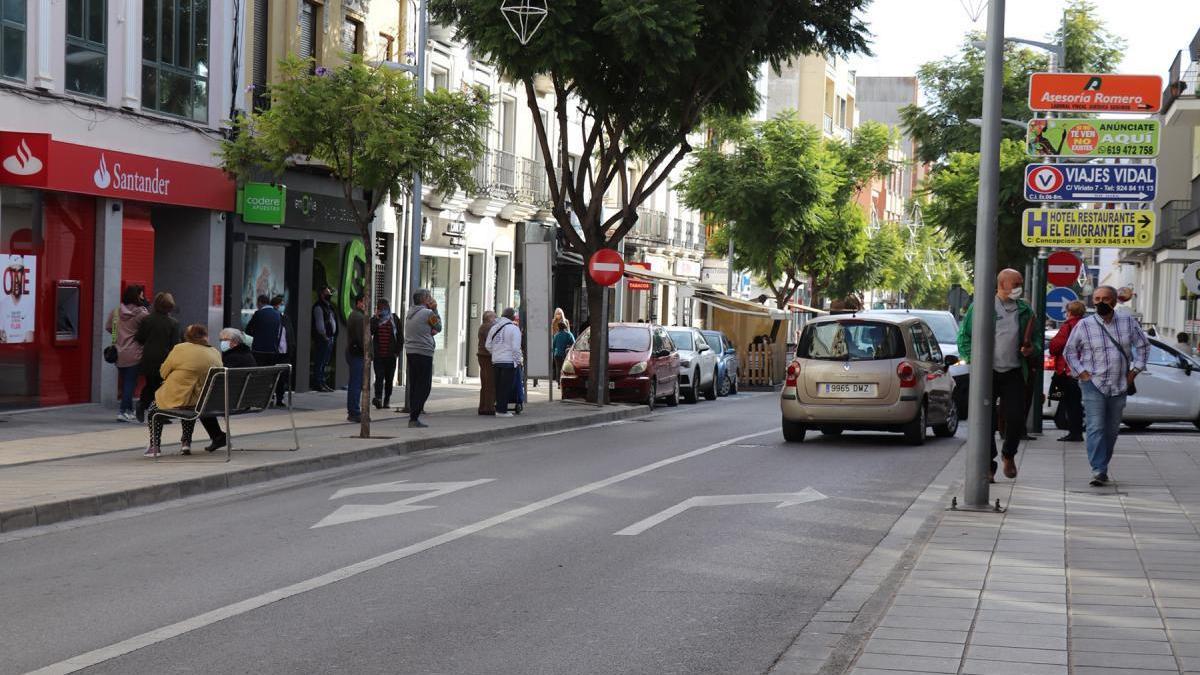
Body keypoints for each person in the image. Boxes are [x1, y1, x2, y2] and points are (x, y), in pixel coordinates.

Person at [956, 268, 1042, 481]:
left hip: (1014, 371)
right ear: (1002, 284)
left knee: (1015, 417)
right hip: (987, 372)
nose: (1019, 287)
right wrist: (974, 360)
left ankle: (1008, 454)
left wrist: (1032, 349)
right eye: (1016, 283)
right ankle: (988, 463)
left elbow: (1038, 339)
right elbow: (964, 337)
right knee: (985, 420)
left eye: (1020, 283)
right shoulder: (982, 307)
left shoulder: (1025, 310)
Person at [1064, 285, 1149, 487]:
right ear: (1092, 301)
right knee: (1096, 426)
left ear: (1114, 301)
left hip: (1119, 384)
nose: (1100, 302)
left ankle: (1102, 464)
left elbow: (1144, 346)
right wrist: (1082, 373)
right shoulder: (1084, 325)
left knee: (1111, 430)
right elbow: (1069, 351)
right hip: (1093, 384)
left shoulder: (1128, 323)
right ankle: (1098, 469)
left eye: (1105, 298)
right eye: (1097, 298)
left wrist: (1135, 371)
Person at [144, 324, 222, 458]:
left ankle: (154, 446)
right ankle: (186, 443)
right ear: (205, 336)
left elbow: (163, 372)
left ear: (188, 337)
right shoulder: (214, 352)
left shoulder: (181, 349)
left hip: (178, 399)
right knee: (189, 405)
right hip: (203, 401)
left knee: (153, 409)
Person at [197, 328, 258, 452]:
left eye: (224, 340)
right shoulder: (247, 355)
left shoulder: (232, 358)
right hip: (244, 400)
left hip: (233, 402)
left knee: (201, 406)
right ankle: (218, 437)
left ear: (234, 342)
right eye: (220, 340)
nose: (221, 343)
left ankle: (218, 436)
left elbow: (219, 381)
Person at [135, 292, 181, 423]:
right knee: (163, 386)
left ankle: (143, 404)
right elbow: (175, 345)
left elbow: (139, 338)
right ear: (170, 306)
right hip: (165, 359)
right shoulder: (173, 323)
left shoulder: (147, 320)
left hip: (149, 357)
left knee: (151, 384)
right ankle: (160, 413)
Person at [106, 284, 148, 423]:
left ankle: (128, 411)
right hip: (135, 353)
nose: (143, 297)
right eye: (142, 295)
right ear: (137, 296)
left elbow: (108, 327)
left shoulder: (116, 312)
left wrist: (118, 336)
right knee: (130, 383)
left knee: (126, 383)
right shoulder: (141, 313)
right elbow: (149, 329)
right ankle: (123, 411)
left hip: (118, 353)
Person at [1049, 300, 1087, 443]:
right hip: (1080, 370)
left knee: (1070, 403)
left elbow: (1055, 346)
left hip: (1067, 370)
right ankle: (1075, 431)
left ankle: (1074, 432)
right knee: (1075, 402)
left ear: (1069, 312)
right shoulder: (1085, 325)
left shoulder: (1068, 326)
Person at [404, 289, 442, 428]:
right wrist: (435, 309)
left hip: (411, 351)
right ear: (425, 299)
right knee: (424, 386)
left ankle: (413, 416)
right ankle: (414, 417)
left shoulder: (410, 313)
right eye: (429, 297)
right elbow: (438, 326)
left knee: (414, 384)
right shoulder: (428, 313)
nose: (431, 299)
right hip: (424, 352)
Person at [246, 293, 285, 404]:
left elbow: (249, 330)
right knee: (271, 374)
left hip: (259, 350)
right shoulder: (278, 314)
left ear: (260, 303)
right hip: (273, 350)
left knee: (259, 374)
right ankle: (270, 395)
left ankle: (259, 398)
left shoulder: (258, 314)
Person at [486, 307, 523, 417]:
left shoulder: (494, 328)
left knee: (498, 386)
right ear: (512, 317)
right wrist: (517, 361)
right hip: (509, 361)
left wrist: (496, 353)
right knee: (506, 387)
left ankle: (499, 408)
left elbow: (488, 345)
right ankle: (502, 410)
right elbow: (516, 348)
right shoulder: (514, 329)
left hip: (497, 361)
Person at [370, 298, 401, 409]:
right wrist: (376, 318)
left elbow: (400, 337)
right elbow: (370, 331)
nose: (382, 310)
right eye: (380, 308)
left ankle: (387, 399)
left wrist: (397, 352)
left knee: (389, 379)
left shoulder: (395, 319)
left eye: (384, 307)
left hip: (390, 356)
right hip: (379, 355)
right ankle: (378, 398)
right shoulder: (375, 320)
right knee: (379, 377)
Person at [311, 286, 338, 392]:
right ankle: (318, 383)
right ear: (322, 294)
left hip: (329, 338)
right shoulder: (319, 307)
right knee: (320, 361)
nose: (329, 295)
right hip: (323, 339)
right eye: (327, 293)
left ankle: (322, 382)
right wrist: (325, 337)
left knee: (325, 362)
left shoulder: (328, 306)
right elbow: (319, 324)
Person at [345, 294, 367, 423]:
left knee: (356, 382)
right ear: (359, 302)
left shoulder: (356, 315)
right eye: (365, 301)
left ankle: (354, 410)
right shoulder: (359, 317)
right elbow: (361, 339)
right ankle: (354, 411)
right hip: (357, 354)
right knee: (356, 383)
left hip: (354, 353)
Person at [271, 295, 294, 406]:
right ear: (275, 305)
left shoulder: (285, 318)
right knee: (272, 376)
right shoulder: (272, 317)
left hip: (285, 352)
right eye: (281, 304)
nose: (282, 306)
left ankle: (280, 398)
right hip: (274, 352)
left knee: (283, 376)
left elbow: (290, 335)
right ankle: (271, 397)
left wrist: (291, 349)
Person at [477, 310, 497, 416]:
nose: (496, 319)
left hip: (482, 355)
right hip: (487, 356)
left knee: (485, 382)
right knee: (490, 382)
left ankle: (483, 406)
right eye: (494, 317)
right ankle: (488, 407)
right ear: (489, 318)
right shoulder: (488, 327)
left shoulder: (483, 326)